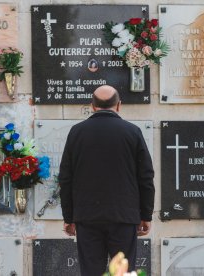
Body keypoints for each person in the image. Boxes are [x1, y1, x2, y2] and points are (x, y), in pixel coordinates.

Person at [59, 85, 155, 276]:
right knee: (122, 272)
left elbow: (66, 178)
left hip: (87, 216)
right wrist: (146, 215)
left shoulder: (77, 132)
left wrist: (69, 217)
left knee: (91, 272)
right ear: (119, 105)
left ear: (92, 106)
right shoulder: (132, 132)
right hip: (123, 216)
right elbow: (145, 176)